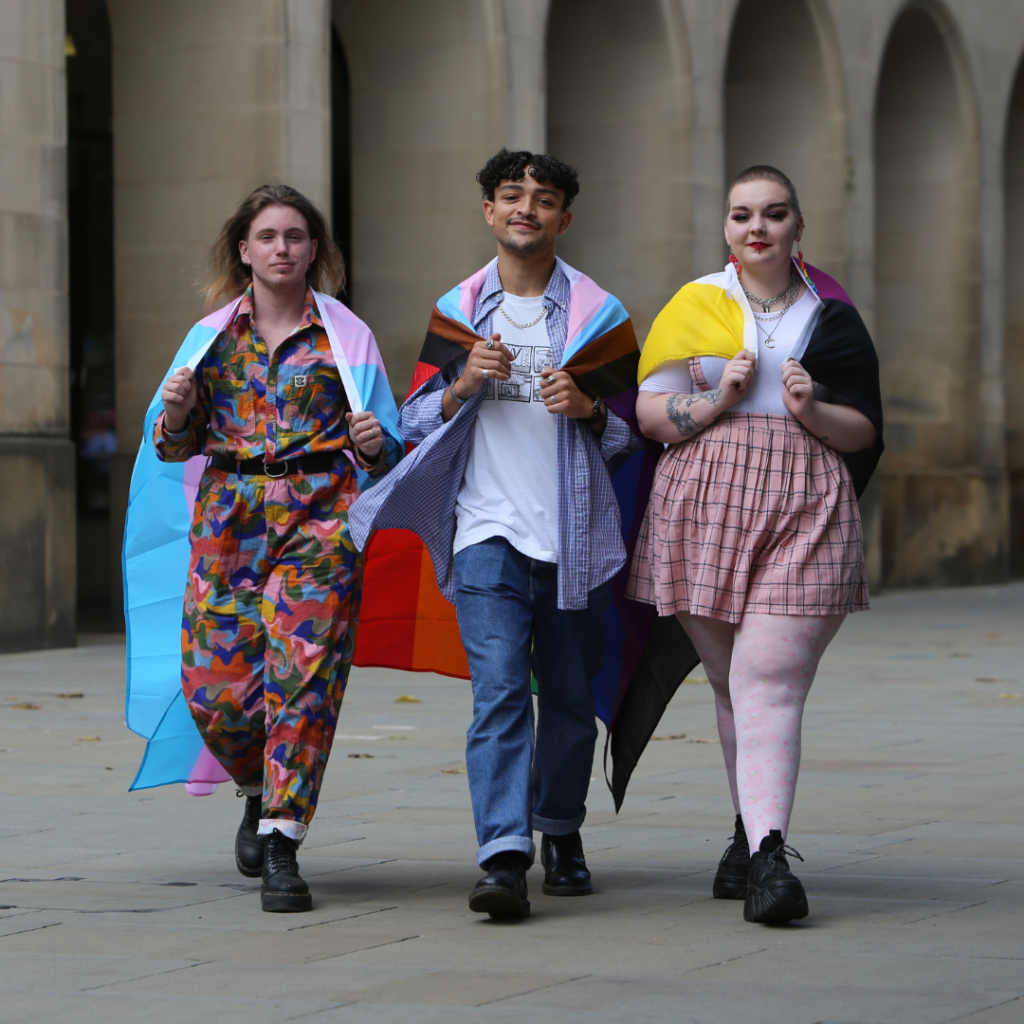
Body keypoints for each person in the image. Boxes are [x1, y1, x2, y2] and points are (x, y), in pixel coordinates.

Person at [349, 149, 643, 919]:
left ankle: (561, 829)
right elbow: (411, 423)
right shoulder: (458, 309)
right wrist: (463, 385)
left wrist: (585, 408)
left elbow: (628, 434)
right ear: (488, 210)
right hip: (485, 533)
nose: (526, 209)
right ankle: (505, 855)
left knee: (572, 701)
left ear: (564, 219)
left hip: (575, 536)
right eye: (512, 196)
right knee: (503, 691)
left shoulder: (600, 316)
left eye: (543, 199)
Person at [628, 165, 883, 924]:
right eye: (743, 215)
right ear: (726, 228)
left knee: (767, 675)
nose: (757, 228)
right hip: (702, 502)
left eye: (774, 214)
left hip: (805, 503)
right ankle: (748, 828)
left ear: (798, 227)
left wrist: (810, 411)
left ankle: (770, 857)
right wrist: (717, 398)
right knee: (730, 682)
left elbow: (865, 429)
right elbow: (648, 414)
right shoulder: (696, 302)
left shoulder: (832, 316)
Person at [152, 184, 402, 912]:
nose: (283, 248)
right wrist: (174, 414)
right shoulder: (211, 337)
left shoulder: (345, 337)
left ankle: (283, 842)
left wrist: (375, 444)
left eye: (296, 236)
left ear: (314, 250)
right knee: (213, 687)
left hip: (321, 520)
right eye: (268, 236)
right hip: (228, 520)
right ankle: (257, 785)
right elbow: (175, 447)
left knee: (304, 678)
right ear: (244, 250)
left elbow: (391, 454)